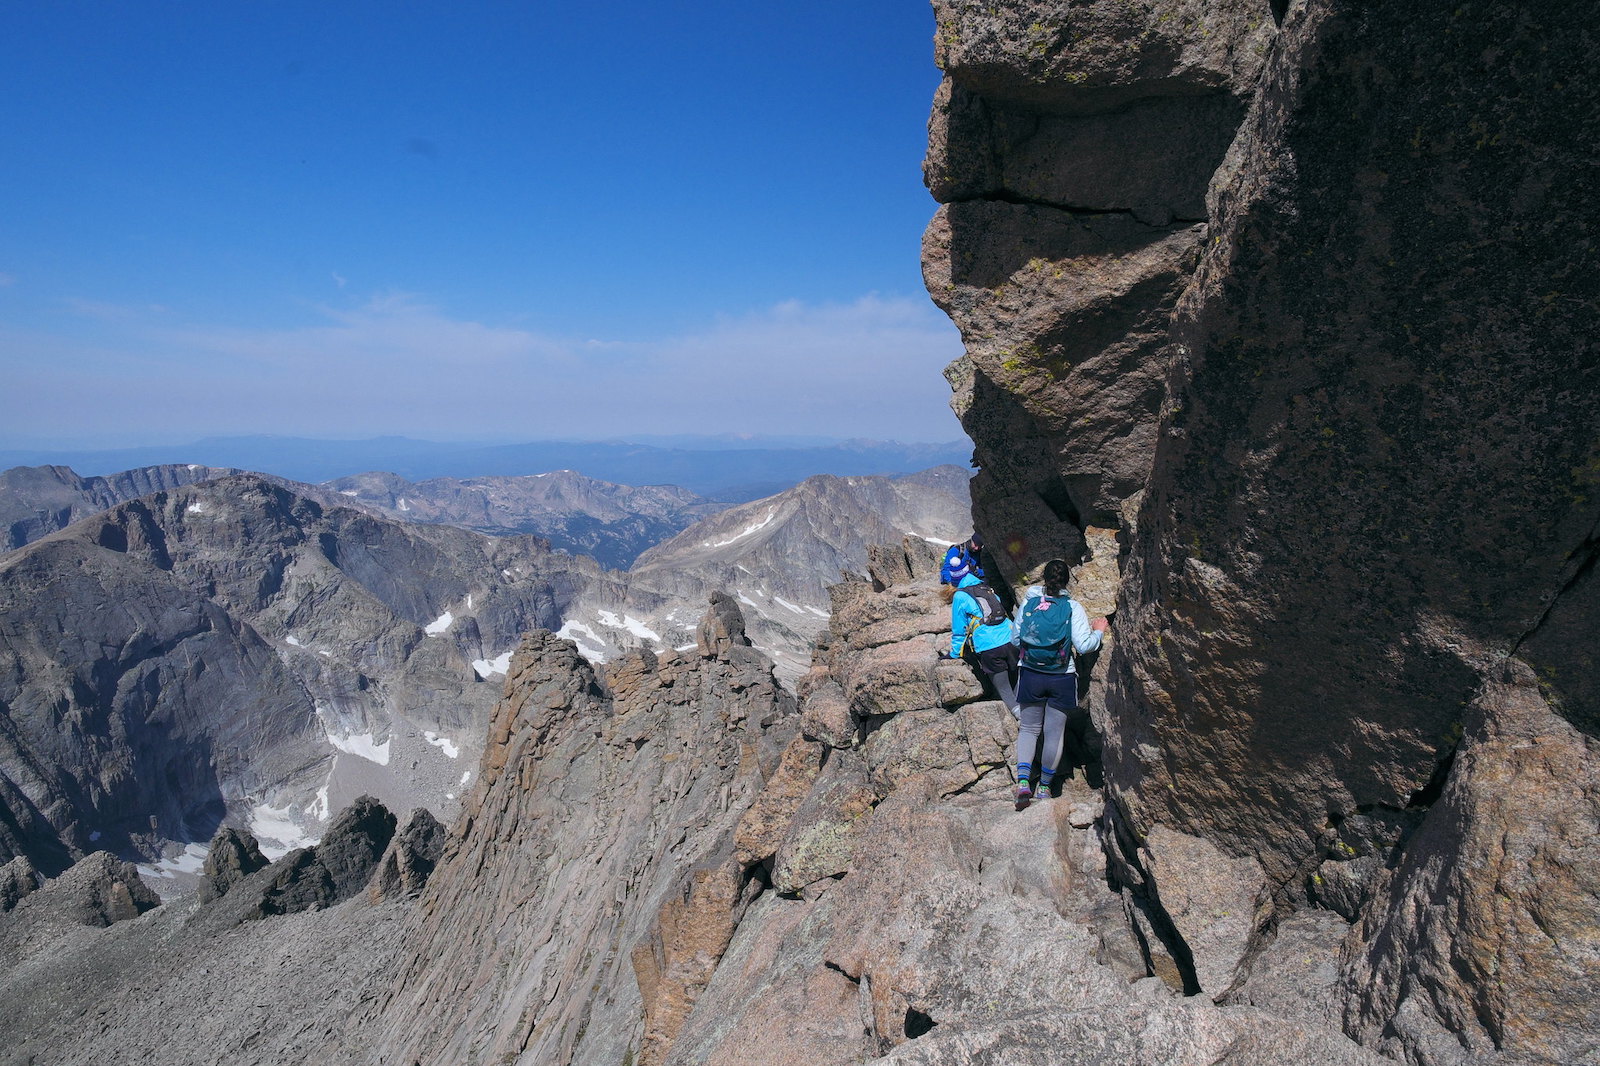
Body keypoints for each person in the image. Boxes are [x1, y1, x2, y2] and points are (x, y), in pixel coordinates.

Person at [1012, 559, 1108, 809]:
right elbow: (1084, 646)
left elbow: (1015, 639)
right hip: (1062, 676)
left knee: (1029, 729)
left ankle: (1023, 783)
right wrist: (1098, 631)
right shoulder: (1072, 607)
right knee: (1054, 733)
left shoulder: (1030, 602)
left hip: (1030, 674)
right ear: (1068, 580)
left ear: (1043, 578)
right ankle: (1044, 787)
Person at [940, 573, 1019, 716]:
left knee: (1004, 689)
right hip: (1011, 640)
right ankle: (1031, 715)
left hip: (989, 646)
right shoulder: (985, 587)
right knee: (1017, 681)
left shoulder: (960, 596)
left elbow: (959, 629)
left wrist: (955, 653)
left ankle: (1023, 719)